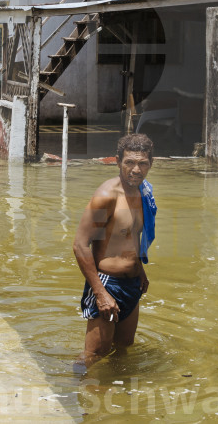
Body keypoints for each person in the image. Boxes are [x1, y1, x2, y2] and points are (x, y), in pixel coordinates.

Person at [72, 133, 158, 371]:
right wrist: (100, 293)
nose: (136, 170)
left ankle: (118, 403)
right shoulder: (107, 197)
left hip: (132, 284)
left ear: (152, 163)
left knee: (123, 350)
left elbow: (133, 236)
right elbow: (81, 245)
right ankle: (76, 399)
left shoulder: (144, 193)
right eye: (129, 162)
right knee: (93, 357)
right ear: (118, 160)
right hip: (107, 284)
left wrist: (139, 269)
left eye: (143, 163)